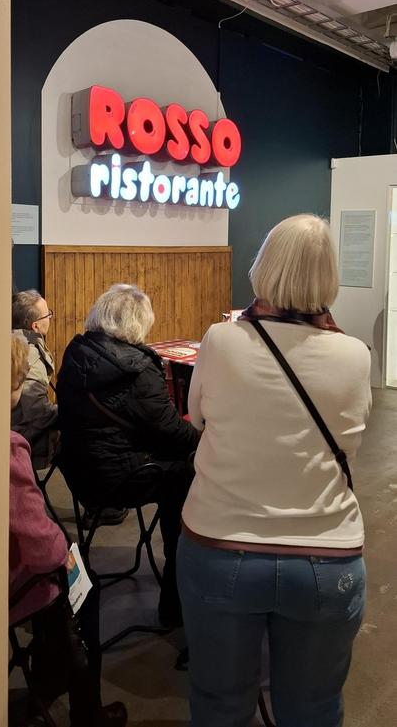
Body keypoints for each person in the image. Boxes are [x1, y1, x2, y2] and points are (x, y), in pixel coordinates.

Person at [177, 214, 372, 727]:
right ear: (329, 275)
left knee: (219, 703)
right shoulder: (355, 355)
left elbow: (196, 418)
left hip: (220, 544)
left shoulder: (220, 340)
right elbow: (350, 442)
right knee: (313, 707)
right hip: (327, 555)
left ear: (264, 267)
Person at [56, 283, 201, 625]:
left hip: (79, 473)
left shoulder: (78, 351)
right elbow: (172, 432)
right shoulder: (136, 367)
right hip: (119, 479)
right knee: (188, 474)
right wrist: (206, 437)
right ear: (139, 323)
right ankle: (176, 600)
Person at [9, 333, 127, 727]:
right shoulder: (8, 449)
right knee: (82, 582)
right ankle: (86, 710)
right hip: (8, 584)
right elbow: (43, 549)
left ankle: (46, 680)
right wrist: (67, 551)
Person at [11, 289, 59, 467]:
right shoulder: (30, 354)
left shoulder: (10, 341)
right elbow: (37, 412)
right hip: (28, 447)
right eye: (48, 315)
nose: (50, 318)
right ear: (35, 326)